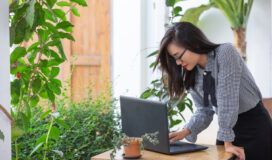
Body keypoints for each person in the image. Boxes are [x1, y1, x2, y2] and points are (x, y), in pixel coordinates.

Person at [154, 22, 272, 160]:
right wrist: (185, 131)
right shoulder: (191, 73)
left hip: (254, 127)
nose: (178, 62)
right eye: (175, 59)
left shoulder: (225, 52)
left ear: (193, 43)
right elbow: (205, 110)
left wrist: (227, 142)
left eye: (179, 55)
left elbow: (227, 100)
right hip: (227, 132)